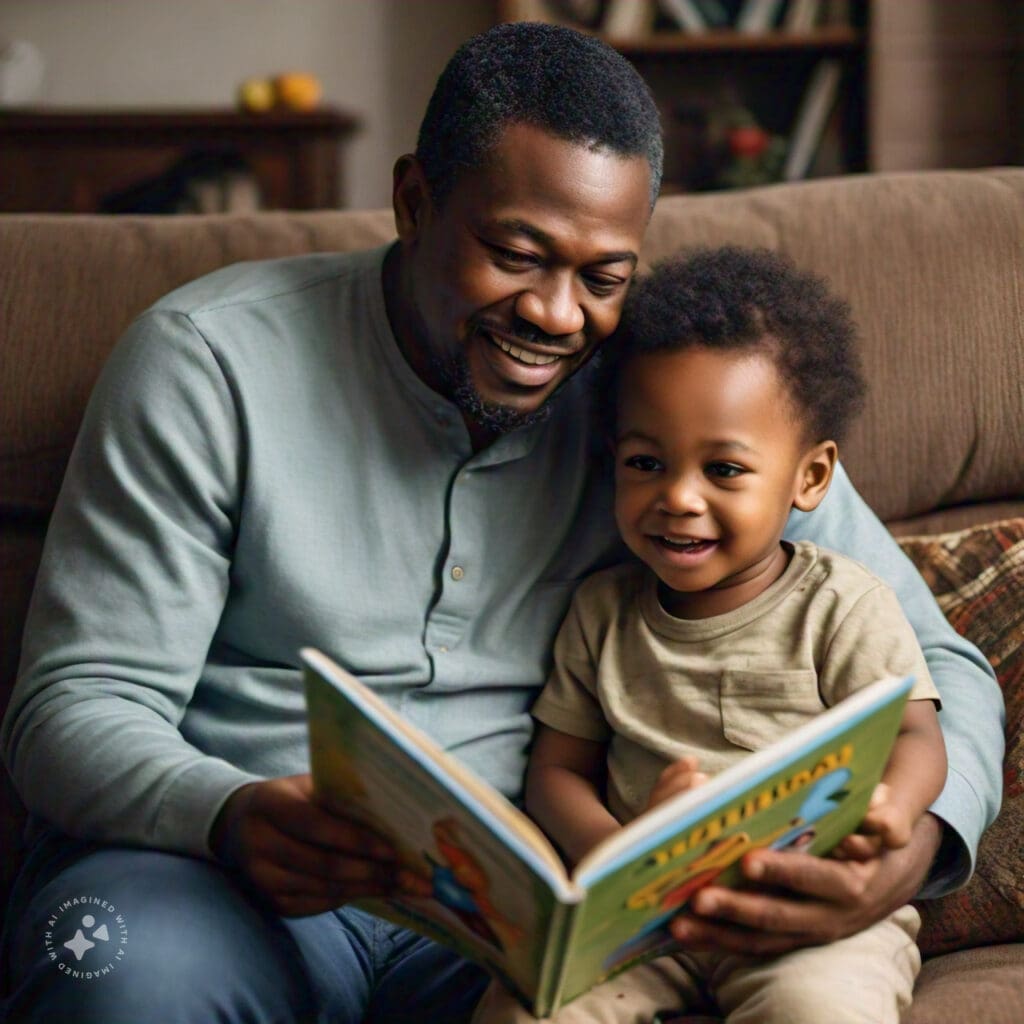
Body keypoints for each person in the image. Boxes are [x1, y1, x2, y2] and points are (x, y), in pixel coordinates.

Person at [0, 22, 1001, 1024]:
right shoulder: (204, 364)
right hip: (224, 881)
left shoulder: (661, 402)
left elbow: (938, 670)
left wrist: (911, 850)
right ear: (413, 201)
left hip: (517, 919)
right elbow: (73, 704)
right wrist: (223, 813)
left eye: (603, 276)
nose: (559, 316)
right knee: (112, 974)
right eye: (515, 254)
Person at [473, 246, 948, 1023]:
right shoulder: (602, 613)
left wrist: (893, 812)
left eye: (724, 470)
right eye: (646, 462)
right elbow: (558, 771)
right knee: (528, 1007)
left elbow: (918, 736)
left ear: (811, 478)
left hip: (804, 916)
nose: (679, 499)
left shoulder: (842, 605)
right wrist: (618, 856)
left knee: (819, 1011)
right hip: (640, 915)